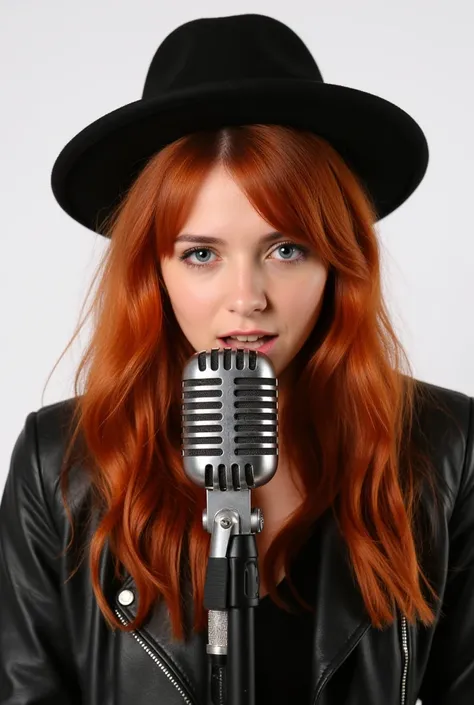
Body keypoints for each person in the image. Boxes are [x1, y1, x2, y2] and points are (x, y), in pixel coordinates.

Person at [0, 13, 473, 705]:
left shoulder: (445, 447)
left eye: (286, 249)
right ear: (151, 271)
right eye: (201, 254)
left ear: (339, 263)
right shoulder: (61, 462)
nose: (246, 298)